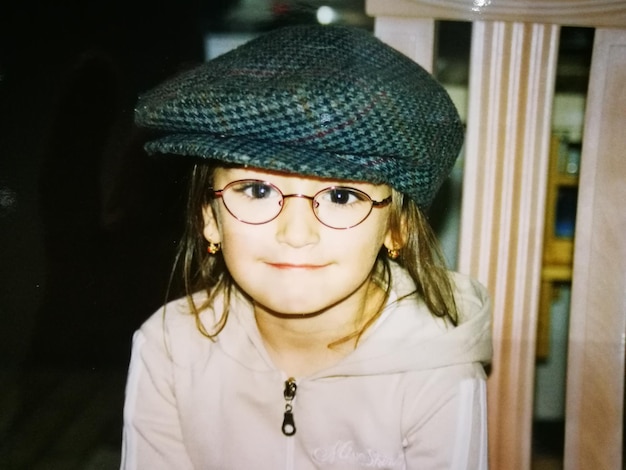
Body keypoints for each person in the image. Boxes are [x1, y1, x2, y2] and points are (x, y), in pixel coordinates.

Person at [121, 24, 492, 470]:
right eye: (256, 190)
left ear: (396, 229)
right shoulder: (169, 346)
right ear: (209, 218)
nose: (296, 234)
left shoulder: (437, 374)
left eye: (340, 197)